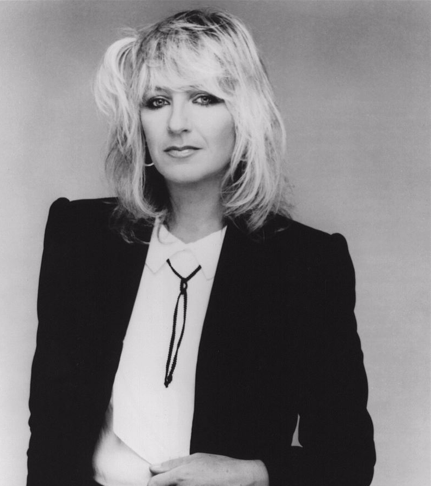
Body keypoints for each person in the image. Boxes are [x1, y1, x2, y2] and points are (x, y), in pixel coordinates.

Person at [27, 9, 376, 486]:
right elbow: (50, 432)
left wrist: (251, 473)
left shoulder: (305, 264)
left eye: (204, 98)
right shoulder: (82, 237)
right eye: (156, 101)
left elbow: (348, 459)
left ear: (244, 114)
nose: (177, 123)